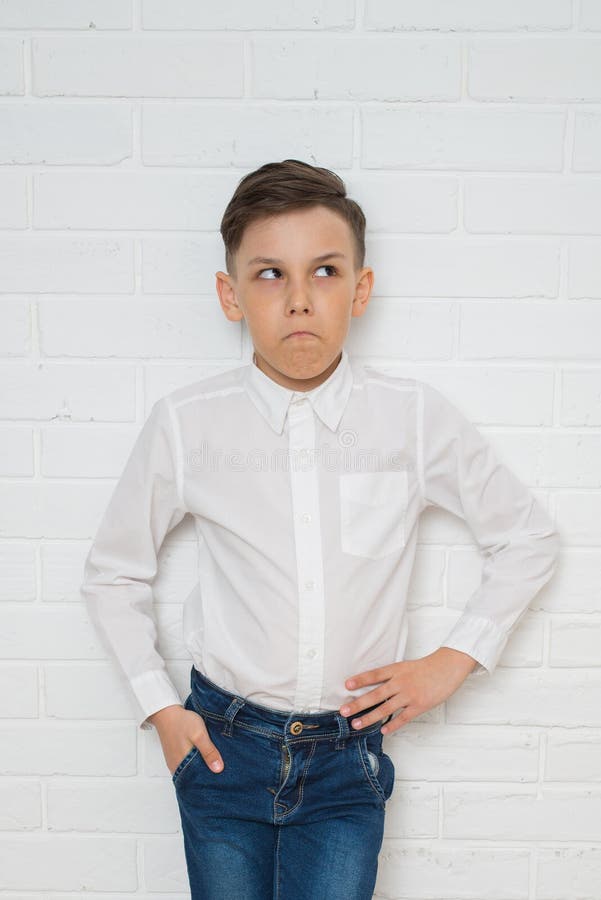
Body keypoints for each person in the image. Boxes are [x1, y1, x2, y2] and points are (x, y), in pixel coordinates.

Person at [80, 159, 560, 899]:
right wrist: (160, 709)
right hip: (220, 749)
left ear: (360, 289)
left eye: (325, 272)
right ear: (229, 294)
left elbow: (526, 539)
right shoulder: (187, 424)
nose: (299, 300)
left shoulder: (413, 419)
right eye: (269, 274)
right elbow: (114, 571)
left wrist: (452, 660)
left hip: (346, 762)